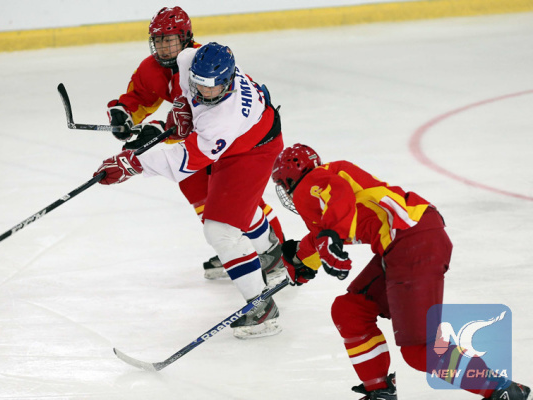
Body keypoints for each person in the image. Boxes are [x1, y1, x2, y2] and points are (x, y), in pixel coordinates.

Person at [271, 143, 531, 400]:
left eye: (282, 184)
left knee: (420, 351)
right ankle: (379, 392)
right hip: (411, 241)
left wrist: (329, 236)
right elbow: (327, 228)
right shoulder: (332, 179)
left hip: (411, 244)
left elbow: (336, 198)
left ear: (291, 177)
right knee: (350, 310)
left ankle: (501, 391)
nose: (285, 192)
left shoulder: (312, 184)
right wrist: (301, 260)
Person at [93, 42, 285, 339]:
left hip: (253, 150)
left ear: (228, 81)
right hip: (242, 138)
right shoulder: (188, 59)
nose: (203, 92)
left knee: (220, 230)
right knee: (227, 206)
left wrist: (133, 163)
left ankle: (262, 309)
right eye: (199, 85)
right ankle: (270, 253)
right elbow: (187, 97)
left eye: (211, 88)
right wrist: (183, 108)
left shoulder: (224, 119)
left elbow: (183, 161)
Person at [105, 6, 285, 281]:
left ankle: (273, 252)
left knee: (237, 197)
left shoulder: (203, 65)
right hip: (202, 140)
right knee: (195, 187)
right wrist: (123, 112)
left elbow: (202, 123)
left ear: (186, 37)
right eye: (158, 40)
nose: (164, 47)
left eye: (171, 39)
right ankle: (233, 248)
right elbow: (143, 97)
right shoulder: (151, 68)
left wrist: (156, 137)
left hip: (232, 142)